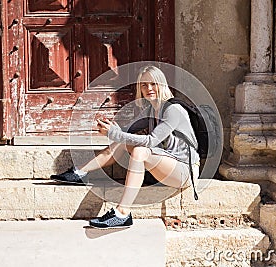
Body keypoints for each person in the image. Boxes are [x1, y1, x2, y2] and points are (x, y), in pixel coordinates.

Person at [51, 65, 200, 228]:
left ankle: (122, 213)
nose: (148, 88)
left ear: (162, 84)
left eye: (153, 84)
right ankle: (81, 171)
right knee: (125, 142)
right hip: (165, 166)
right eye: (143, 85)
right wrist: (111, 128)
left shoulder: (173, 110)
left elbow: (151, 141)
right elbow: (127, 131)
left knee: (140, 151)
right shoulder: (151, 110)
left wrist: (114, 133)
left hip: (185, 170)